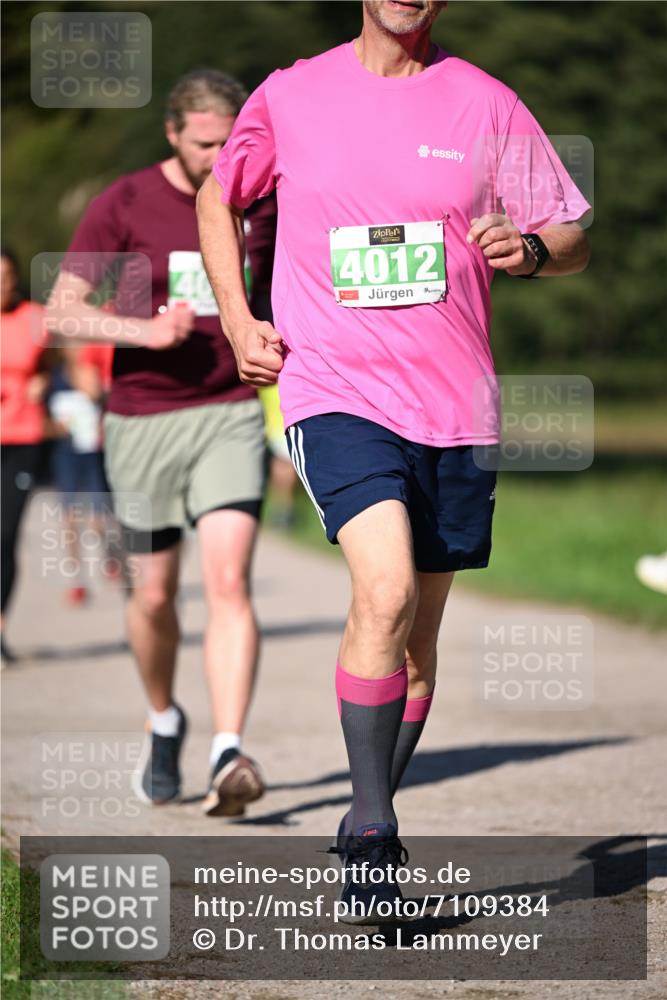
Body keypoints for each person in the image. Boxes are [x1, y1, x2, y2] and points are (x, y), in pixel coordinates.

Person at [197, 0, 590, 917]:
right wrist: (236, 315)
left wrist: (528, 249)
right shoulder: (293, 93)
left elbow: (569, 235)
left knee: (415, 649)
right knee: (384, 591)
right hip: (334, 390)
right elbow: (221, 199)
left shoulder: (484, 103)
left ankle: (362, 813)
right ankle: (373, 836)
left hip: (454, 407)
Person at [48, 69, 277, 816]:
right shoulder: (125, 201)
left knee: (228, 582)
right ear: (174, 134)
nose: (220, 157)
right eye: (205, 143)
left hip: (228, 412)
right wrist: (142, 329)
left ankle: (228, 750)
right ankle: (164, 718)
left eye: (231, 141)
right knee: (151, 595)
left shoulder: (260, 200)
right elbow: (64, 311)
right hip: (142, 418)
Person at [1, 248, 51, 664]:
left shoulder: (35, 317)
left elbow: (56, 361)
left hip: (22, 436)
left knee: (5, 535)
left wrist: (44, 381)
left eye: (7, 275)